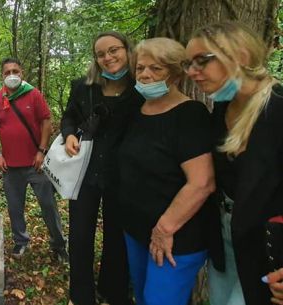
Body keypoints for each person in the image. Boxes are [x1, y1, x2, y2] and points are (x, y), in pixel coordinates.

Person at [185, 21, 283, 305]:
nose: (191, 72)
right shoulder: (223, 108)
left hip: (267, 249)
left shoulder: (278, 109)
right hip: (225, 239)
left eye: (202, 61)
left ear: (239, 55)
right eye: (189, 63)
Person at [117, 37, 216, 305]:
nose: (146, 74)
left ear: (174, 73)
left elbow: (202, 182)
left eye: (156, 68)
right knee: (142, 295)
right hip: (137, 230)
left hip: (175, 235)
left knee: (159, 300)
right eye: (140, 68)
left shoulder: (190, 115)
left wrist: (165, 228)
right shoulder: (137, 112)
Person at [60, 31, 143, 305]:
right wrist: (69, 133)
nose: (108, 57)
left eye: (114, 50)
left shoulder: (140, 88)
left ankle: (114, 290)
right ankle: (81, 295)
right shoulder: (84, 87)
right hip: (85, 171)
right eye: (101, 54)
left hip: (123, 176)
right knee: (80, 236)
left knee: (117, 236)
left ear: (127, 50)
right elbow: (69, 115)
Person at [0, 58, 67, 261]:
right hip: (10, 167)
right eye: (7, 72)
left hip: (36, 164)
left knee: (48, 205)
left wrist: (42, 150)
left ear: (21, 73)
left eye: (15, 71)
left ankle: (58, 245)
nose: (12, 75)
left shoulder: (33, 94)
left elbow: (46, 121)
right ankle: (21, 241)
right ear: (2, 75)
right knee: (15, 207)